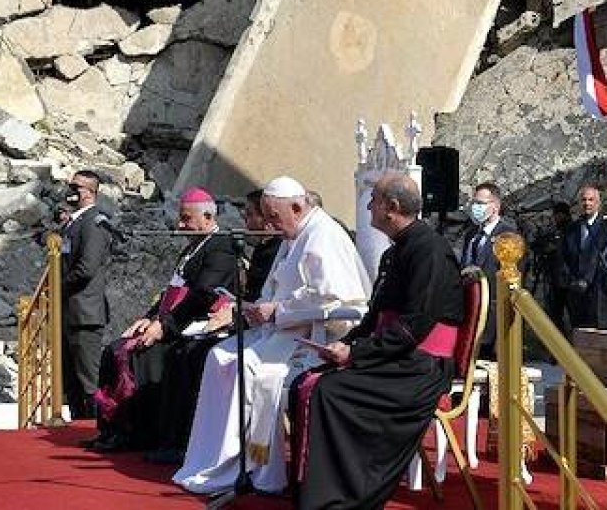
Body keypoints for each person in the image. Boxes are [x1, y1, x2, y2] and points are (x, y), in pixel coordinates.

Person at [174, 176, 371, 495]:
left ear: (296, 206)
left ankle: (259, 467)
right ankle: (217, 461)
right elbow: (281, 285)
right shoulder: (295, 232)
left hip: (318, 336)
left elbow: (334, 300)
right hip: (285, 328)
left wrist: (277, 310)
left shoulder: (323, 237)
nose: (270, 224)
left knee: (249, 369)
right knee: (218, 356)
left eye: (274, 216)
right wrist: (261, 308)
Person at [288, 173, 463, 509]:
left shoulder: (430, 251)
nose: (368, 207)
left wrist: (358, 352)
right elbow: (374, 319)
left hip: (421, 365)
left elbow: (415, 325)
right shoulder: (395, 252)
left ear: (391, 208)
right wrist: (347, 346)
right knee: (305, 383)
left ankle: (341, 496)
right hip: (398, 355)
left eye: (374, 200)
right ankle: (316, 491)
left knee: (328, 391)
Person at [88, 187, 236, 454]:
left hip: (192, 325)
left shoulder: (220, 248)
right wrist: (147, 319)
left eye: (186, 219)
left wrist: (164, 326)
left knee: (141, 355)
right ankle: (114, 430)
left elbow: (202, 295)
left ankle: (139, 433)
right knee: (114, 349)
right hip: (171, 321)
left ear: (207, 217)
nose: (180, 225)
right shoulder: (193, 247)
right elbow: (170, 292)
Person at [59, 170, 113, 421]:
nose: (70, 191)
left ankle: (95, 427)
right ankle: (78, 427)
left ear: (89, 192)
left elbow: (86, 268)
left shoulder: (94, 222)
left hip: (85, 312)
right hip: (70, 311)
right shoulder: (75, 222)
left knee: (88, 380)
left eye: (75, 187)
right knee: (71, 381)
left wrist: (57, 285)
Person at [459, 181, 517, 358]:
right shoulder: (472, 235)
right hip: (471, 313)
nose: (476, 207)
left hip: (493, 317)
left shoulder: (507, 237)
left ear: (496, 206)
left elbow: (510, 281)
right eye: (475, 203)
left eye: (481, 203)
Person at [560, 183, 607, 330]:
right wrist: (571, 282)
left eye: (591, 200)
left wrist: (588, 280)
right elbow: (563, 259)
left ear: (598, 203)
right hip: (575, 295)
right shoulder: (571, 229)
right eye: (583, 200)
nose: (587, 203)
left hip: (598, 295)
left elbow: (602, 258)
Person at [532, 201, 573, 338]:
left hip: (568, 278)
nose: (556, 218)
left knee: (573, 315)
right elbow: (539, 245)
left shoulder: (572, 230)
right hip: (554, 278)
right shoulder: (555, 231)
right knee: (554, 314)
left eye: (558, 215)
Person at [241, 189, 283, 300]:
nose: (244, 217)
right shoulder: (263, 244)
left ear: (265, 217)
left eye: (249, 214)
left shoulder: (278, 248)